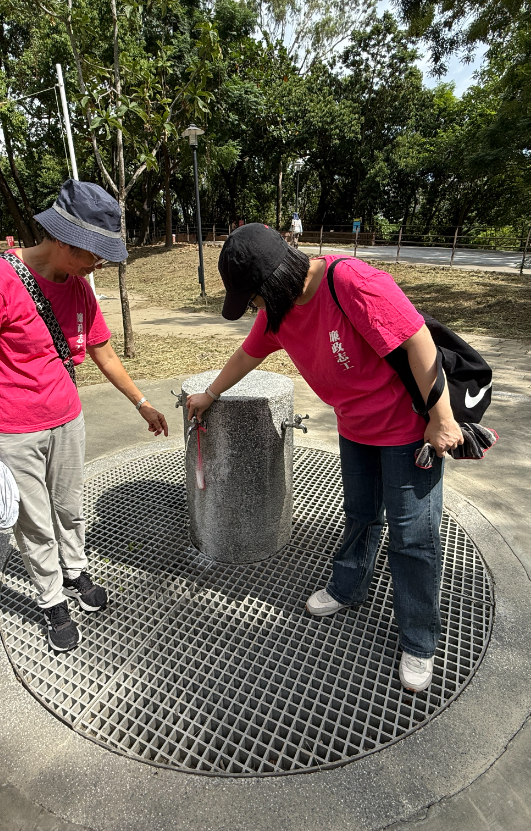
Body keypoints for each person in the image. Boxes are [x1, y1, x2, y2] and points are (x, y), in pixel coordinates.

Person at [185, 224, 463, 691]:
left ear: (272, 284)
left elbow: (419, 342)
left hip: (406, 431)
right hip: (355, 429)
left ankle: (419, 639)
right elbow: (246, 355)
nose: (254, 309)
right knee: (359, 515)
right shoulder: (277, 311)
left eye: (253, 298)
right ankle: (348, 586)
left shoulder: (351, 282)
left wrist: (441, 417)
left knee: (413, 538)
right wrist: (210, 393)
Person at [0, 179, 168, 653]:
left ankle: (75, 570)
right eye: (94, 254)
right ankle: (51, 600)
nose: (98, 264)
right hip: (10, 429)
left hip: (67, 418)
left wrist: (141, 402)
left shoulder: (80, 289)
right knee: (34, 521)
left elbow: (103, 353)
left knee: (68, 505)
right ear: (67, 241)